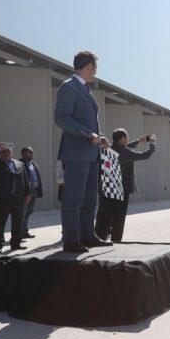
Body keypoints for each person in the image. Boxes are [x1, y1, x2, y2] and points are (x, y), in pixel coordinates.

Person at [54, 51, 112, 252]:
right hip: (76, 153)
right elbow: (62, 118)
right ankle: (70, 240)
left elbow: (87, 122)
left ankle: (87, 235)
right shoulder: (69, 87)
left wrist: (99, 136)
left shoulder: (85, 90)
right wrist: (88, 135)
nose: (95, 72)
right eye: (95, 68)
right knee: (74, 199)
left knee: (89, 199)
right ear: (88, 67)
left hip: (90, 153)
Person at [96, 129, 156, 242]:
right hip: (120, 190)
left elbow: (125, 148)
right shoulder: (124, 152)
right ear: (122, 138)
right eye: (127, 137)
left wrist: (137, 142)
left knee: (105, 215)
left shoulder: (108, 148)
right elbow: (144, 155)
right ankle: (116, 240)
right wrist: (152, 144)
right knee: (119, 217)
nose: (128, 140)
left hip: (106, 189)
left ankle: (100, 237)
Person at [0, 143, 30, 253]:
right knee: (0, 223)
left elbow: (25, 179)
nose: (6, 154)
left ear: (12, 153)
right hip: (2, 198)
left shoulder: (19, 164)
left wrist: (27, 193)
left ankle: (15, 243)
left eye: (8, 152)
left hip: (17, 198)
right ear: (0, 154)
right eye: (3, 152)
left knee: (17, 222)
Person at [20, 146, 44, 239]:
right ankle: (19, 233)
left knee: (29, 212)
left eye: (31, 152)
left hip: (34, 192)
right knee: (22, 213)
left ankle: (24, 232)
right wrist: (26, 193)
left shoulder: (34, 164)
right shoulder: (20, 164)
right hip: (26, 194)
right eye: (29, 152)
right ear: (23, 153)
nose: (31, 154)